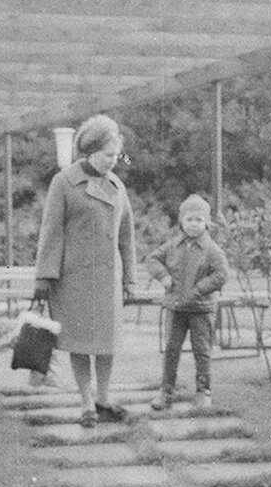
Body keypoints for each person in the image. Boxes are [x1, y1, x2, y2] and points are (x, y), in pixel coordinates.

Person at [32, 114, 137, 427]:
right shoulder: (64, 182)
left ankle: (104, 398)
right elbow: (51, 232)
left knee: (106, 343)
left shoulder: (117, 187)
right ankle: (86, 403)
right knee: (79, 342)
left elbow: (127, 237)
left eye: (116, 156)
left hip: (107, 280)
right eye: (108, 156)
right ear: (90, 151)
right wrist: (43, 277)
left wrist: (130, 278)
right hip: (73, 279)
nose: (113, 162)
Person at [146, 193, 230, 410]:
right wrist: (163, 277)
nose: (194, 224)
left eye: (199, 220)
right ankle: (166, 392)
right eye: (189, 219)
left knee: (202, 351)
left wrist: (200, 289)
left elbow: (222, 274)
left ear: (206, 222)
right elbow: (152, 259)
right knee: (171, 349)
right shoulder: (173, 245)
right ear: (181, 221)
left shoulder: (212, 250)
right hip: (175, 308)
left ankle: (203, 391)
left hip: (201, 310)